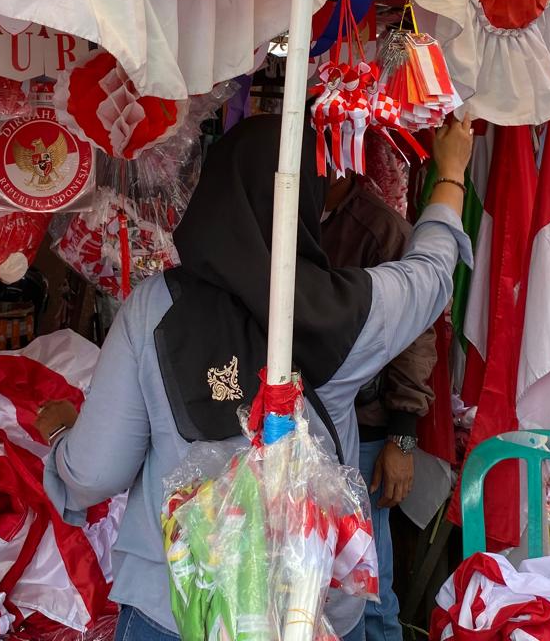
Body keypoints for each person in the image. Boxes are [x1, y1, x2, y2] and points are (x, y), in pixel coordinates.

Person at [36, 113, 474, 641]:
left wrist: (62, 435)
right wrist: (450, 174)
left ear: (213, 193)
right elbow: (431, 272)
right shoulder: (349, 312)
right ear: (307, 201)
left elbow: (95, 472)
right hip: (305, 614)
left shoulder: (152, 308)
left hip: (174, 608)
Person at [321, 171, 436, 641]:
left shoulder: (381, 231)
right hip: (298, 424)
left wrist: (402, 438)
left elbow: (415, 337)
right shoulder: (290, 214)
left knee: (366, 583)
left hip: (365, 433)